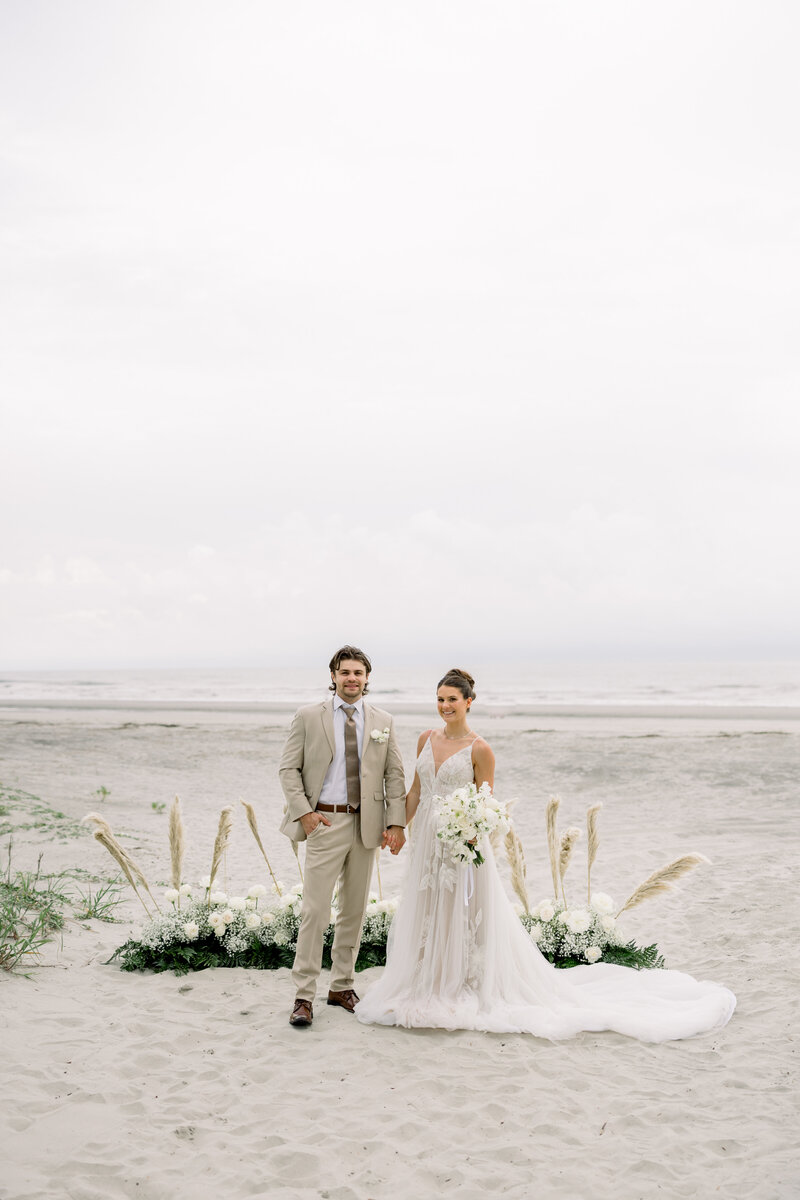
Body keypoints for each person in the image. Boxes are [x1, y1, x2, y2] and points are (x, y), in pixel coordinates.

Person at [355, 668, 736, 1041]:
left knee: (461, 912)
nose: (444, 706)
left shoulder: (480, 749)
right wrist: (398, 827)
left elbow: (487, 804)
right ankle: (426, 979)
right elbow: (417, 791)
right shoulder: (425, 739)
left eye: (452, 699)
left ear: (469, 702)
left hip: (462, 844)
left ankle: (459, 984)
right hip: (427, 842)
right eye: (439, 700)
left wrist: (472, 834)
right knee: (427, 908)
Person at [279, 645, 407, 1027]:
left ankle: (341, 986)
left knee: (353, 911)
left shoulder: (382, 718)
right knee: (315, 912)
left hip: (366, 826)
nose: (352, 678)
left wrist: (396, 823)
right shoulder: (308, 717)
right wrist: (306, 814)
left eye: (358, 673)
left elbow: (394, 775)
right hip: (325, 824)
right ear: (333, 676)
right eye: (345, 672)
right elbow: (288, 769)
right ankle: (304, 996)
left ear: (367, 678)